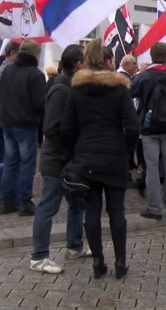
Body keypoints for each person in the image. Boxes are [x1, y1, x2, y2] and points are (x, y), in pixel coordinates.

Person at [61, 40, 139, 279]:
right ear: (107, 61)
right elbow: (132, 127)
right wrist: (127, 153)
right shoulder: (119, 89)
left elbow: (66, 127)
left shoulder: (76, 88)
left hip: (86, 156)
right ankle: (120, 262)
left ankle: (97, 260)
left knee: (92, 211)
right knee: (117, 211)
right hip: (114, 155)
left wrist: (75, 153)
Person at [29, 44, 90, 274]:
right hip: (56, 159)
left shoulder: (70, 86)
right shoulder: (61, 90)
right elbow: (51, 127)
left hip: (69, 158)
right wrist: (75, 137)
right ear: (78, 64)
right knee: (48, 207)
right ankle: (39, 257)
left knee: (77, 203)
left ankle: (75, 246)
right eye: (84, 61)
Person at [130, 42, 166, 220]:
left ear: (151, 57)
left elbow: (130, 92)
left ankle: (154, 207)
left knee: (152, 167)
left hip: (148, 127)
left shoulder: (143, 77)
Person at [0, 40, 47, 216]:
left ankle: (6, 201)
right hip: (25, 124)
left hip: (7, 122)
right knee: (27, 164)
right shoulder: (35, 74)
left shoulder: (8, 70)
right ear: (35, 55)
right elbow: (40, 103)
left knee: (11, 162)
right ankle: (25, 202)